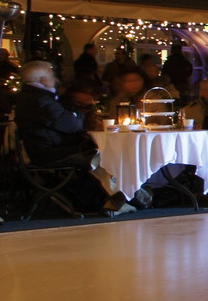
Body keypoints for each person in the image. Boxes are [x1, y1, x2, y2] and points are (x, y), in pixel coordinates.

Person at [15, 61, 128, 215]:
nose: (55, 80)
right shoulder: (40, 101)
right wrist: (77, 116)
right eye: (51, 76)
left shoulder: (35, 98)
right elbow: (71, 125)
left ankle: (90, 197)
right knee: (105, 158)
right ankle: (111, 201)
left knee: (101, 155)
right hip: (50, 153)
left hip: (48, 148)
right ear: (42, 80)